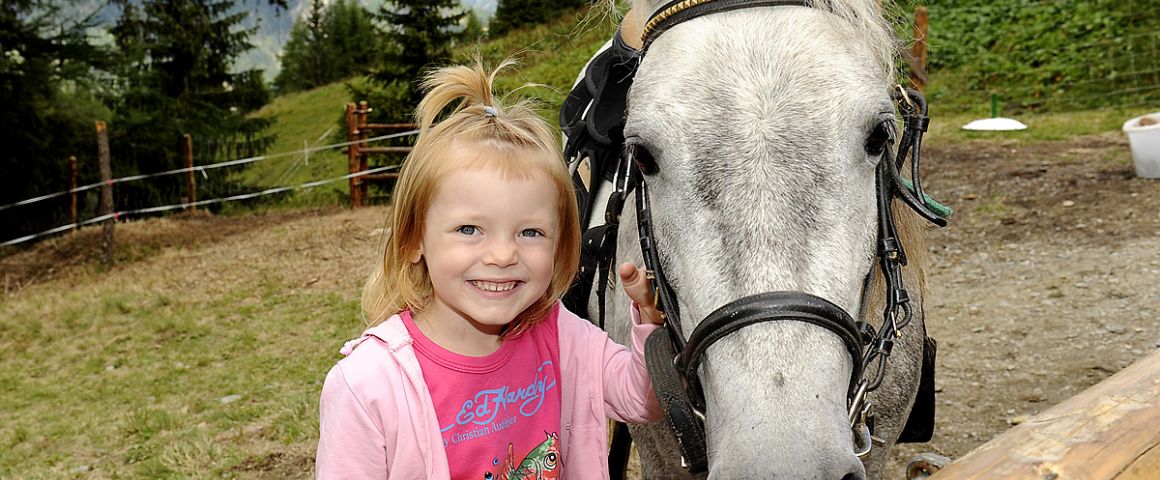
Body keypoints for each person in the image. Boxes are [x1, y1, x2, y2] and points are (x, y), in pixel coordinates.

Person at [316, 58, 664, 480]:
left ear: (560, 244)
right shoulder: (368, 386)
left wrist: (649, 320)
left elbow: (640, 399)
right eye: (469, 229)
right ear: (413, 240)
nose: (502, 255)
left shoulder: (559, 335)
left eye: (531, 232)